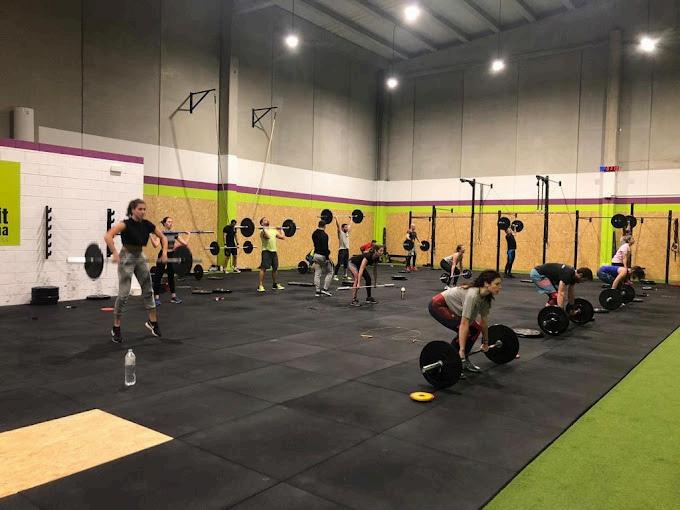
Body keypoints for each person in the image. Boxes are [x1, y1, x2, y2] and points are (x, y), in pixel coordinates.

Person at [104, 198, 167, 343]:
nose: (143, 211)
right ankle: (116, 327)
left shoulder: (147, 224)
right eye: (140, 209)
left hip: (140, 256)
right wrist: (115, 253)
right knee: (124, 295)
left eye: (144, 209)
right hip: (126, 257)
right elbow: (108, 236)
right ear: (133, 210)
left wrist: (164, 253)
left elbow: (163, 237)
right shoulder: (125, 224)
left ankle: (153, 322)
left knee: (149, 290)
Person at [428, 270, 502, 374]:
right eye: (497, 284)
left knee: (475, 329)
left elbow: (484, 322)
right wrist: (461, 350)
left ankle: (463, 361)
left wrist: (486, 343)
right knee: (466, 330)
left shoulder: (486, 298)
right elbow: (464, 324)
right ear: (486, 283)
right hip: (438, 305)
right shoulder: (473, 295)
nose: (500, 287)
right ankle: (453, 363)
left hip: (453, 308)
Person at [150, 216, 189, 305]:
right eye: (169, 222)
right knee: (158, 276)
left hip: (172, 255)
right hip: (163, 255)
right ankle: (156, 298)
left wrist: (188, 235)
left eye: (171, 222)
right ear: (164, 224)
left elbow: (185, 243)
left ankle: (173, 297)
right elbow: (155, 245)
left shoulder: (174, 233)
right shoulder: (160, 233)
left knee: (171, 276)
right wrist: (150, 236)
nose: (171, 223)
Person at [258, 217, 285, 292]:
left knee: (275, 268)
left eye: (267, 219)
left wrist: (281, 229)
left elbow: (283, 237)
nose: (267, 220)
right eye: (264, 220)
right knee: (263, 268)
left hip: (274, 251)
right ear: (262, 223)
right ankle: (260, 285)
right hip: (266, 251)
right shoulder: (261, 231)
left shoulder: (273, 230)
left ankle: (274, 284)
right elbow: (267, 237)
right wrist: (264, 229)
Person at [312, 220, 333, 297]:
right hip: (322, 256)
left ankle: (317, 291)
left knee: (317, 273)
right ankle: (325, 289)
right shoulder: (325, 235)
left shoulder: (314, 233)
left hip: (315, 255)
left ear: (318, 225)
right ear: (325, 226)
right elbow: (325, 248)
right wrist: (327, 258)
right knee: (330, 272)